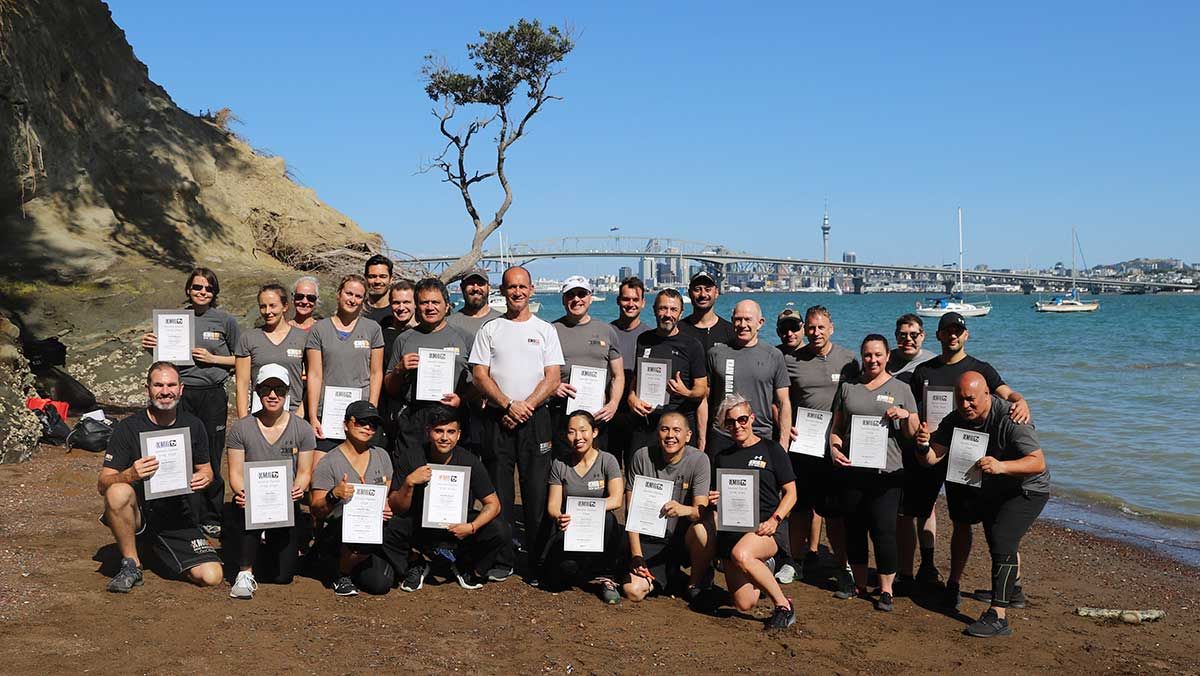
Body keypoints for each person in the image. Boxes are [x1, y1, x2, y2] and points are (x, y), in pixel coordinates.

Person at [909, 312, 1031, 611]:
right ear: (938, 335)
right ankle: (954, 583)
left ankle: (1013, 586)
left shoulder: (981, 369)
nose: (953, 336)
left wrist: (1021, 399)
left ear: (966, 335)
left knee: (1000, 525)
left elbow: (1006, 393)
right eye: (947, 331)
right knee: (960, 523)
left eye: (958, 331)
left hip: (981, 456)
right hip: (946, 452)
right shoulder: (924, 370)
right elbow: (913, 409)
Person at [916, 371, 1050, 638]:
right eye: (960, 399)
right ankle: (1012, 591)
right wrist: (922, 446)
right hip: (995, 486)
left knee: (1002, 538)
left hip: (1028, 487)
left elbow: (1037, 462)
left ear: (987, 394)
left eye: (971, 400)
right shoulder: (955, 419)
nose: (965, 405)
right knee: (994, 536)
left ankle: (998, 617)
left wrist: (1002, 466)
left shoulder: (1011, 418)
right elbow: (932, 459)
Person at [469, 265, 564, 581]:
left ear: (532, 289)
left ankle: (537, 562)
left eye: (523, 287)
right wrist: (508, 404)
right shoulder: (491, 329)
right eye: (511, 287)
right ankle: (502, 558)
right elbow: (479, 374)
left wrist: (527, 406)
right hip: (499, 419)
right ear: (503, 290)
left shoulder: (545, 330)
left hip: (536, 421)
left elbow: (553, 377)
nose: (518, 292)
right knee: (500, 494)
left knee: (537, 495)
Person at [98, 362, 223, 592]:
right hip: (140, 514)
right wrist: (129, 474)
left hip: (177, 515)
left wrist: (204, 477)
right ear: (148, 388)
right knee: (117, 491)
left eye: (171, 385)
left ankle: (154, 550)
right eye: (158, 385)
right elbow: (103, 483)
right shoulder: (128, 428)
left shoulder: (194, 425)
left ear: (181, 388)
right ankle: (131, 563)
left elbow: (206, 469)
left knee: (211, 576)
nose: (165, 391)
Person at [139, 267, 239, 537]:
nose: (202, 292)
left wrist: (213, 359)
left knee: (212, 453)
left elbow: (241, 359)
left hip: (212, 394)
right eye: (197, 287)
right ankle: (183, 513)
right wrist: (151, 344)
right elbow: (162, 360)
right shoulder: (173, 319)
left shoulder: (226, 321)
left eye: (208, 288)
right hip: (181, 394)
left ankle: (212, 515)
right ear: (188, 290)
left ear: (214, 292)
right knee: (180, 453)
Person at [828, 335, 918, 612]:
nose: (873, 360)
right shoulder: (848, 388)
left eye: (878, 354)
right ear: (862, 356)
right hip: (853, 469)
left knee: (884, 530)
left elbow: (914, 433)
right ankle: (859, 583)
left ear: (888, 355)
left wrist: (905, 417)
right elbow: (836, 428)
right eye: (868, 355)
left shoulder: (901, 388)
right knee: (854, 528)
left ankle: (887, 589)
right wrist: (833, 450)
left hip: (887, 472)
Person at [773, 305, 859, 586]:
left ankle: (842, 564)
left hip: (835, 447)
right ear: (804, 330)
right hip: (804, 446)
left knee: (834, 512)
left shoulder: (848, 360)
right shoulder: (791, 360)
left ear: (831, 328)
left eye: (821, 327)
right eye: (811, 328)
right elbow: (779, 400)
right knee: (799, 508)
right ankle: (794, 562)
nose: (816, 332)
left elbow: (858, 399)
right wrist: (786, 426)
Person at [384, 405, 511, 592]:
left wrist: (471, 527)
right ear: (428, 432)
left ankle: (466, 565)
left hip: (457, 527)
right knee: (387, 526)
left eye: (451, 432)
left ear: (459, 435)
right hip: (419, 524)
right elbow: (397, 507)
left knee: (500, 529)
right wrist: (409, 483)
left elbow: (493, 504)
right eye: (439, 431)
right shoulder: (411, 457)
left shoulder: (470, 461)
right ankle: (414, 563)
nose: (445, 437)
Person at [699, 395, 797, 630]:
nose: (737, 426)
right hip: (734, 530)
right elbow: (717, 497)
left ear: (752, 418)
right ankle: (764, 567)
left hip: (767, 528)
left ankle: (784, 605)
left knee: (743, 554)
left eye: (742, 419)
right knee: (744, 603)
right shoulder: (723, 457)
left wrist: (775, 520)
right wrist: (715, 499)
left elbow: (791, 493)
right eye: (730, 422)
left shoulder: (771, 449)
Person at [226, 364, 316, 599]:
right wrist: (242, 492)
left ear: (288, 392)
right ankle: (244, 571)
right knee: (246, 507)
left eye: (279, 389)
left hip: (284, 503)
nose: (273, 395)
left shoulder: (303, 429)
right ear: (257, 391)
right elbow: (235, 472)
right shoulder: (241, 428)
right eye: (266, 389)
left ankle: (263, 550)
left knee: (283, 576)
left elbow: (305, 471)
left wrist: (299, 487)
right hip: (252, 504)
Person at [622, 411, 711, 601]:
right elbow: (631, 511)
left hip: (682, 536)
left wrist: (682, 509)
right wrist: (637, 555)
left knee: (704, 527)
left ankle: (695, 581)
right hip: (650, 538)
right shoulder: (642, 457)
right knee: (633, 591)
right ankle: (670, 576)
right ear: (657, 433)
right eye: (665, 429)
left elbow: (700, 512)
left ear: (688, 436)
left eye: (677, 430)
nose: (670, 436)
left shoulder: (699, 460)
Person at [310, 401, 395, 596]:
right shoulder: (328, 462)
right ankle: (340, 571)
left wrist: (386, 505)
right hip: (338, 531)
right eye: (361, 422)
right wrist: (334, 495)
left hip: (372, 531)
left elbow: (387, 489)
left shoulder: (382, 456)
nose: (367, 427)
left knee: (380, 584)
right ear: (346, 424)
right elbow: (316, 509)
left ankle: (351, 566)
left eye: (373, 424)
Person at [383, 278, 472, 461]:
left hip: (452, 416)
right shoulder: (405, 339)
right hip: (415, 418)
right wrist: (400, 369)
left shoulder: (464, 338)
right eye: (424, 302)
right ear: (417, 306)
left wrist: (462, 399)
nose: (430, 307)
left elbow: (478, 382)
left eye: (435, 302)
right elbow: (389, 388)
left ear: (447, 306)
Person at [543, 411, 625, 603]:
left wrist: (589, 509)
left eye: (583, 430)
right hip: (571, 527)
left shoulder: (608, 460)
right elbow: (553, 505)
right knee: (557, 578)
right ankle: (583, 570)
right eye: (572, 432)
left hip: (599, 525)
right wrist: (559, 517)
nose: (578, 437)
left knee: (609, 520)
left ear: (594, 432)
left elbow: (616, 500)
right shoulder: (559, 463)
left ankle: (607, 577)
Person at [886, 313, 939, 593]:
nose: (908, 339)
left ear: (923, 335)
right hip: (890, 445)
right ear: (896, 336)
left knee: (927, 507)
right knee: (901, 512)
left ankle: (928, 564)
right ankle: (904, 570)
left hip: (922, 444)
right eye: (903, 334)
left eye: (914, 334)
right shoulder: (887, 359)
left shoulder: (932, 362)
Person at [305, 274, 385, 455]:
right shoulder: (320, 329)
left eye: (358, 296)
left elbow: (376, 373)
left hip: (361, 416)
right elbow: (315, 375)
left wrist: (370, 411)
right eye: (349, 293)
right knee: (321, 473)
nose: (353, 300)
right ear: (339, 294)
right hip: (327, 414)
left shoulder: (373, 329)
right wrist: (312, 416)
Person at [626, 289, 708, 458]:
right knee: (640, 474)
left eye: (673, 310)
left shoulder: (692, 345)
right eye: (663, 308)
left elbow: (701, 389)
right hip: (647, 423)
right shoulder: (643, 339)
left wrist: (684, 392)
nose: (667, 314)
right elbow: (636, 379)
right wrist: (631, 397)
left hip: (678, 426)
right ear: (654, 309)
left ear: (681, 313)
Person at [701, 300, 790, 455]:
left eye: (748, 319)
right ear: (732, 321)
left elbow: (783, 402)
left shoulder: (774, 355)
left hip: (760, 435)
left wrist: (783, 442)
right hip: (722, 436)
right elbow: (704, 399)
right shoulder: (716, 353)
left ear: (760, 323)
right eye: (738, 319)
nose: (742, 324)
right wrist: (702, 440)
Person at [550, 275, 623, 454]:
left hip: (597, 415)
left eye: (581, 294)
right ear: (563, 299)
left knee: (596, 467)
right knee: (561, 468)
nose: (576, 299)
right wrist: (553, 387)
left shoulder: (607, 331)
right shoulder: (550, 331)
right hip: (561, 413)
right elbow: (537, 371)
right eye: (570, 295)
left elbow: (618, 375)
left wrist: (613, 404)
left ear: (590, 297)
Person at [234, 283, 307, 419]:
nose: (268, 311)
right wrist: (243, 420)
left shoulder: (303, 338)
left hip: (293, 414)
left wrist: (300, 414)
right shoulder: (249, 338)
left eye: (273, 305)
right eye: (263, 306)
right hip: (259, 414)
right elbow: (242, 383)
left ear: (285, 306)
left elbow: (313, 380)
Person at [609, 276, 652, 466]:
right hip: (610, 413)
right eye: (626, 299)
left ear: (643, 303)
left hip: (639, 416)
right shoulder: (607, 332)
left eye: (635, 300)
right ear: (618, 301)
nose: (630, 304)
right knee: (610, 468)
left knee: (637, 469)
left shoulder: (651, 336)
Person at [677, 271, 736, 353]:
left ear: (716, 292)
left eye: (708, 289)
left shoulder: (731, 332)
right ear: (690, 293)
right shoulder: (678, 330)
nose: (703, 295)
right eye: (697, 289)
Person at [445, 268, 502, 345]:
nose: (475, 288)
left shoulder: (502, 321)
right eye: (470, 283)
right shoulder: (448, 323)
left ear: (489, 288)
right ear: (462, 287)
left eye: (480, 283)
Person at [379, 279, 417, 368]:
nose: (401, 308)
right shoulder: (382, 335)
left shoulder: (425, 333)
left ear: (415, 303)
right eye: (396, 303)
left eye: (406, 302)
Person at [362, 254, 395, 324]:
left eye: (383, 276)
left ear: (391, 279)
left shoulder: (399, 310)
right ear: (365, 278)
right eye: (372, 276)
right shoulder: (358, 310)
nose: (377, 281)